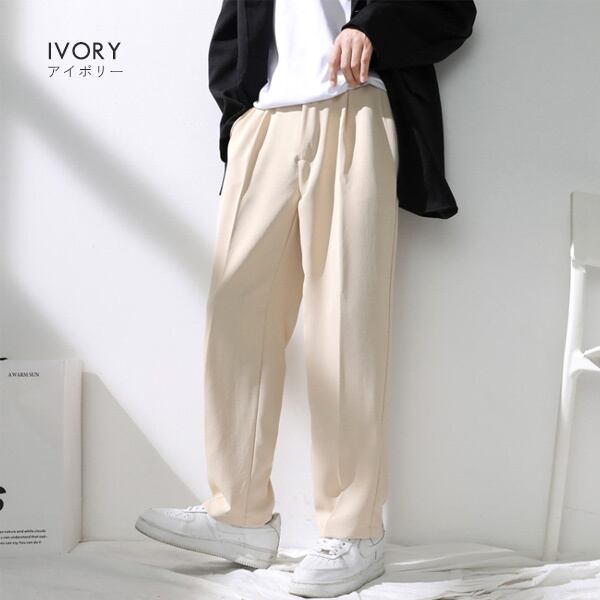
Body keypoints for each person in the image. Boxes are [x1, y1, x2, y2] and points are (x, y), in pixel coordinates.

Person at [135, 1, 477, 597]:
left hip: (354, 108)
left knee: (345, 325)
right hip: (264, 121)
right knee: (235, 315)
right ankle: (239, 513)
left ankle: (354, 529)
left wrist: (369, 28)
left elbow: (452, 9)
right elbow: (235, 33)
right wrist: (238, 118)